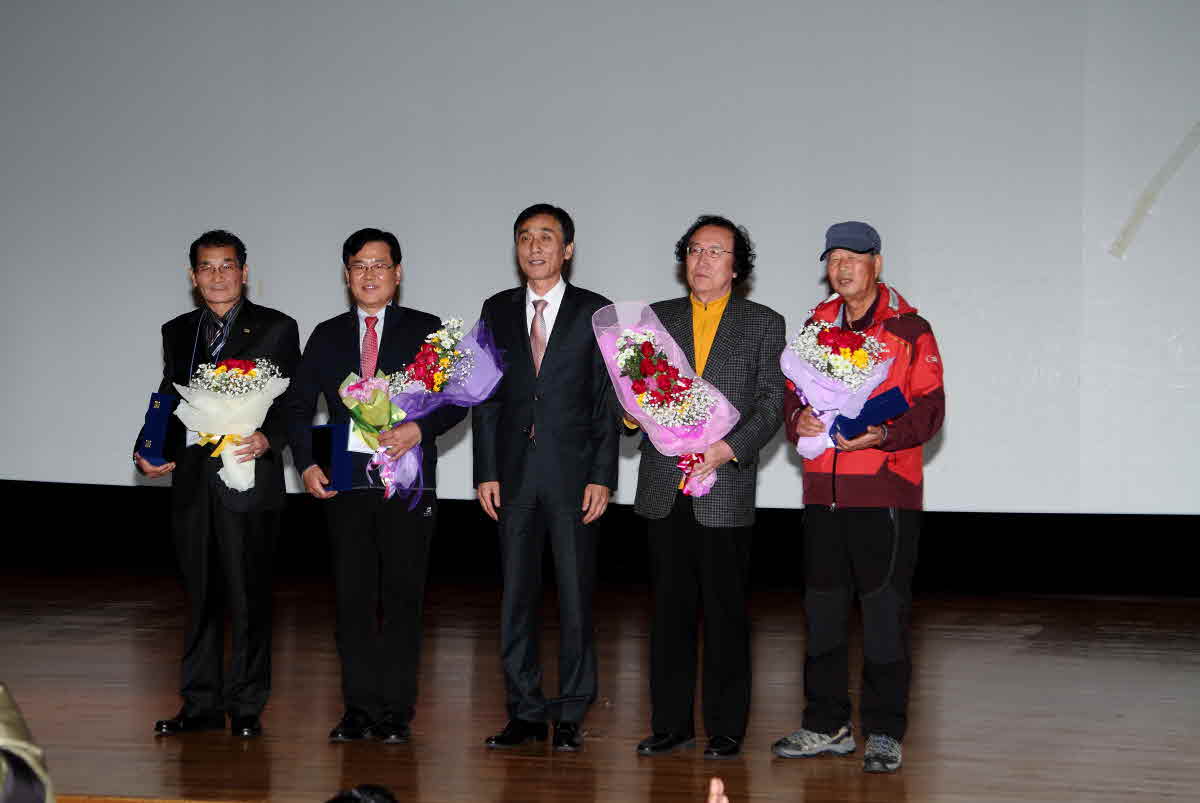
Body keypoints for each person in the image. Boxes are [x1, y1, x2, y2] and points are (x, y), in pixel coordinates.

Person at [772, 221, 944, 773]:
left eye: (854, 258)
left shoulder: (910, 328)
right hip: (822, 493)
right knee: (821, 612)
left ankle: (885, 732)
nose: (842, 268)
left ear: (877, 264)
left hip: (884, 492)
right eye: (834, 259)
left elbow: (930, 409)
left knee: (884, 614)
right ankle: (827, 725)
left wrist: (883, 433)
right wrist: (796, 418)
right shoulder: (815, 326)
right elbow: (790, 395)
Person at [286, 228, 466, 744]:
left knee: (404, 597)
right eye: (359, 266)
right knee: (352, 599)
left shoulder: (427, 329)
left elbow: (457, 398)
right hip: (345, 480)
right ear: (346, 275)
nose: (369, 275)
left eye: (379, 265)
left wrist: (420, 429)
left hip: (409, 479)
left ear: (398, 273)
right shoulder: (326, 334)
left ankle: (396, 712)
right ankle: (358, 709)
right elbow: (298, 405)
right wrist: (306, 463)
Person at [135, 230, 300, 738]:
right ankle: (199, 703)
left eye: (227, 265)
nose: (218, 276)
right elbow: (167, 394)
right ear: (193, 276)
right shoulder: (178, 330)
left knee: (249, 594)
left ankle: (247, 704)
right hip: (193, 479)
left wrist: (270, 439)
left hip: (249, 474)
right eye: (207, 267)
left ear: (244, 272)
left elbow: (293, 401)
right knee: (200, 594)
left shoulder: (276, 327)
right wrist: (148, 445)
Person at [633, 215, 785, 759]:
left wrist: (726, 448)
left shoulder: (763, 323)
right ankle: (670, 724)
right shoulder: (654, 320)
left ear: (737, 266)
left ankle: (726, 727)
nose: (702, 260)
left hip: (724, 487)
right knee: (668, 614)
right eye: (695, 250)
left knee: (726, 614)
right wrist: (632, 411)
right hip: (663, 484)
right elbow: (626, 388)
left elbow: (772, 402)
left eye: (716, 251)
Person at [472, 203, 619, 752]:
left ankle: (572, 711)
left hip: (574, 476)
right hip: (512, 475)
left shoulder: (596, 311)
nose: (535, 247)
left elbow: (607, 401)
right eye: (525, 237)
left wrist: (603, 475)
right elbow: (484, 396)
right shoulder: (496, 309)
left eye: (547, 237)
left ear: (568, 249)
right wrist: (486, 469)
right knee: (516, 597)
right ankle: (526, 711)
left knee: (576, 597)